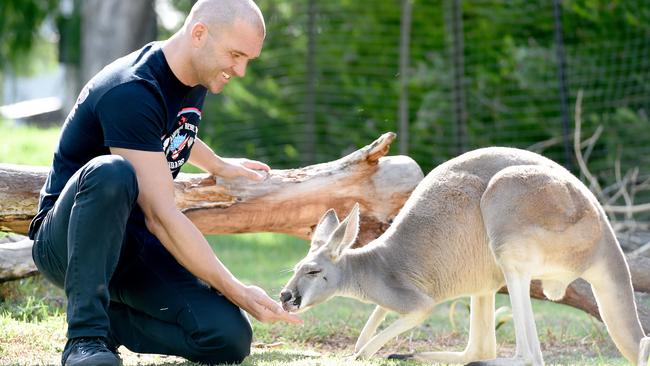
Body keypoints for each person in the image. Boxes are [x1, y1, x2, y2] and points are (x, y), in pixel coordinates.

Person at [27, 0, 302, 365]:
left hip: (131, 243)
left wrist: (217, 163)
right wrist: (237, 289)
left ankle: (110, 323)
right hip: (69, 242)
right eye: (236, 55)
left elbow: (167, 127)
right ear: (199, 34)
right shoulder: (131, 89)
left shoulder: (196, 74)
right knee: (113, 172)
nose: (240, 70)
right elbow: (161, 215)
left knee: (227, 337)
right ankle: (85, 340)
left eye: (248, 60)